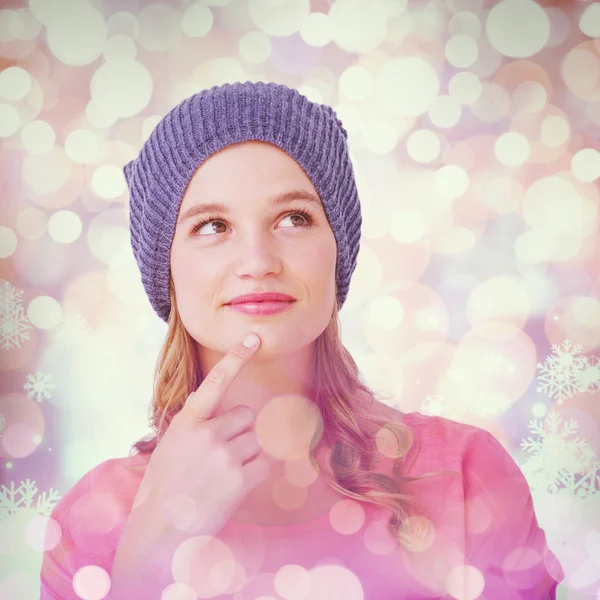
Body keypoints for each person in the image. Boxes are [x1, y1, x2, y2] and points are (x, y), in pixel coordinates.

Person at [40, 81, 565, 599]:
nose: (257, 262)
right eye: (211, 226)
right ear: (166, 267)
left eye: (294, 218)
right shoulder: (94, 522)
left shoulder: (466, 478)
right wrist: (148, 558)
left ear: (337, 248)